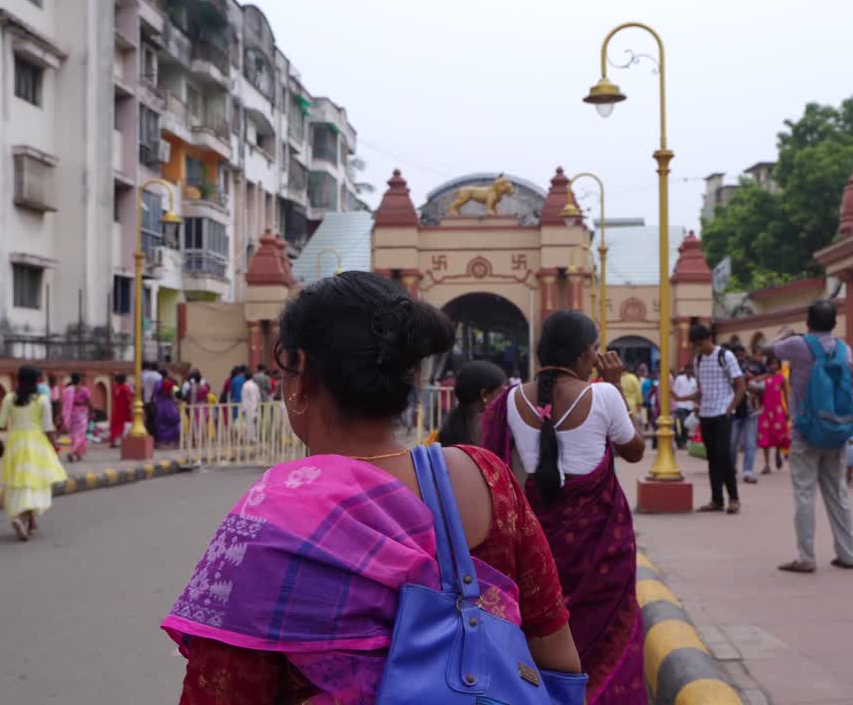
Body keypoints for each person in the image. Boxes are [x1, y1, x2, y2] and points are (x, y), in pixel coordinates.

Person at [163, 271, 582, 702]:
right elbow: (561, 664)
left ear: (301, 371)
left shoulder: (270, 517)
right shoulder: (489, 481)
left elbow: (219, 691)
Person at [482, 309, 647, 702]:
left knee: (546, 623)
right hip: (600, 540)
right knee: (608, 626)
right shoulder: (603, 394)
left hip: (541, 536)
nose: (596, 358)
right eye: (594, 350)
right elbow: (636, 450)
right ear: (581, 355)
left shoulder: (511, 399)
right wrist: (615, 385)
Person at [771, 301, 853, 574]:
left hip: (806, 431)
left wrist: (785, 334)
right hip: (837, 430)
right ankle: (847, 554)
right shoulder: (846, 351)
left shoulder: (798, 345)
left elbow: (771, 349)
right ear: (834, 323)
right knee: (838, 494)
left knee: (804, 494)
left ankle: (806, 556)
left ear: (808, 321)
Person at [0, 365, 70, 541]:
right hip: (36, 443)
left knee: (20, 482)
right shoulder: (42, 400)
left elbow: (0, 423)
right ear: (37, 380)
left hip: (15, 443)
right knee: (35, 482)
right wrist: (55, 447)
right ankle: (22, 518)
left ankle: (31, 521)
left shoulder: (9, 398)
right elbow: (48, 427)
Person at [682, 324, 745, 514]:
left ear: (709, 338)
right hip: (706, 413)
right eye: (696, 346)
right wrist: (682, 399)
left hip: (722, 413)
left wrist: (730, 408)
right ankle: (716, 500)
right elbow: (701, 390)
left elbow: (740, 385)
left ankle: (733, 498)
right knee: (712, 458)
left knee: (723, 455)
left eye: (700, 344)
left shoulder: (725, 356)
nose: (698, 348)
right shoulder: (698, 360)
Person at [437, 360, 507, 448]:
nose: (505, 398)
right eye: (501, 393)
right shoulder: (490, 434)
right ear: (484, 395)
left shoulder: (446, 433)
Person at [731, 344, 763, 485]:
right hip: (734, 411)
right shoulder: (727, 370)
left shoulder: (753, 369)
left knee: (750, 443)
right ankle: (731, 468)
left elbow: (761, 388)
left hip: (750, 411)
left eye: (742, 355)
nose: (740, 358)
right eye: (737, 355)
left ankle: (748, 472)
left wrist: (753, 383)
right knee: (732, 443)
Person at [756, 353, 791, 474]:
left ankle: (777, 453)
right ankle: (766, 464)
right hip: (765, 411)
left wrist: (788, 411)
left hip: (778, 410)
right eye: (771, 364)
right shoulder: (763, 378)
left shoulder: (782, 378)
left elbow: (786, 396)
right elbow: (755, 391)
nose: (774, 366)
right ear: (768, 365)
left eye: (776, 363)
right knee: (764, 437)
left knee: (779, 435)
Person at [672, 363, 698, 449]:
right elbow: (675, 391)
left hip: (690, 406)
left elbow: (695, 394)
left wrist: (695, 405)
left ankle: (684, 442)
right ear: (685, 370)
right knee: (682, 424)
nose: (690, 371)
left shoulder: (694, 380)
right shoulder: (679, 379)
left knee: (687, 425)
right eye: (688, 369)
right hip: (681, 406)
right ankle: (681, 442)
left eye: (691, 369)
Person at [154, 370, 182, 446]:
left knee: (161, 423)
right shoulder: (170, 383)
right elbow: (177, 393)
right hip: (168, 405)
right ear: (167, 375)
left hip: (159, 405)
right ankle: (172, 441)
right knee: (173, 421)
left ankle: (162, 441)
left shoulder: (157, 383)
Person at [109, 373, 133, 447]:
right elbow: (129, 398)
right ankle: (124, 440)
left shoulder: (115, 387)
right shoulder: (126, 388)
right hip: (125, 409)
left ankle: (113, 441)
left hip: (117, 408)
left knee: (115, 425)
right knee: (126, 425)